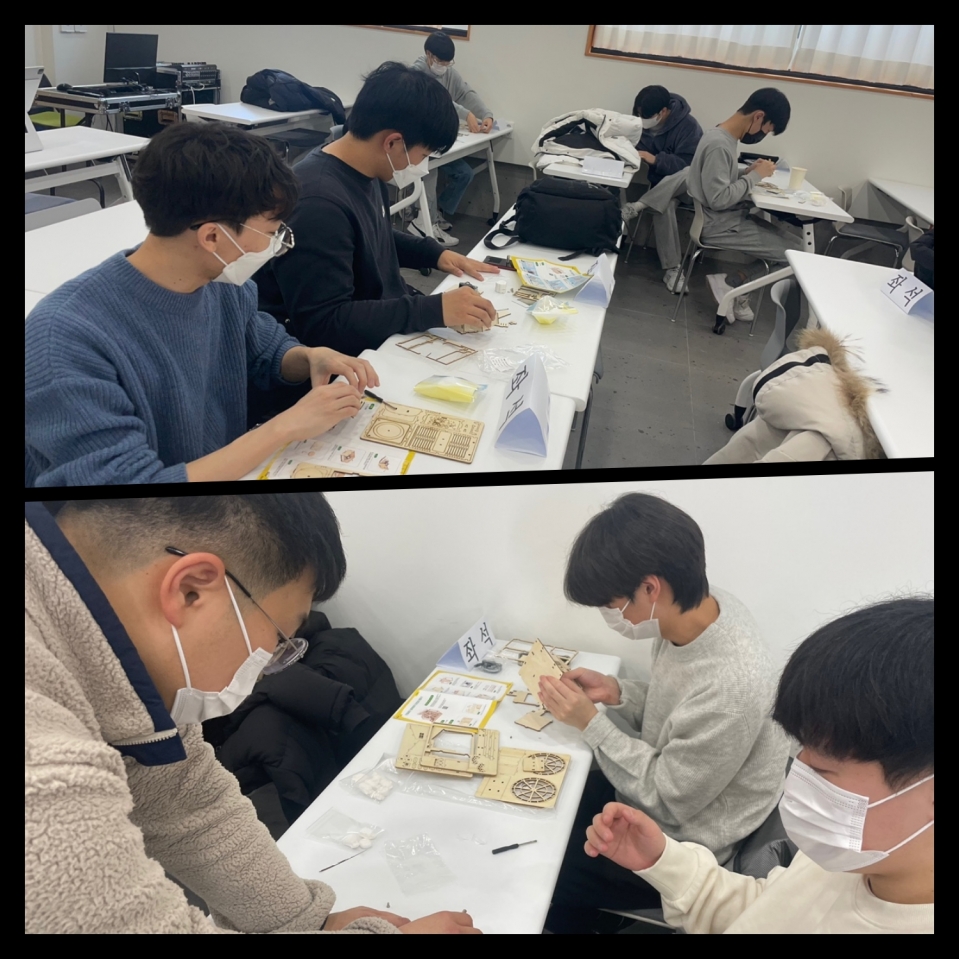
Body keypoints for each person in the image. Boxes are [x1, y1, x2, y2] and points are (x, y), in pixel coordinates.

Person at [26, 495, 481, 935]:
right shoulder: (40, 756)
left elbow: (189, 801)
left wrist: (300, 920)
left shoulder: (104, 661)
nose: (271, 664)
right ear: (190, 590)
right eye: (281, 638)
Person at [25, 122, 378, 487]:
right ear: (212, 236)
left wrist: (307, 357)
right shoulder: (66, 339)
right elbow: (125, 495)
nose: (277, 246)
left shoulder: (221, 283)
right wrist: (284, 427)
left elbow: (264, 349)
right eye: (272, 233)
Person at [586, 597, 934, 934]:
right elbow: (768, 912)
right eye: (802, 751)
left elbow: (671, 794)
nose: (797, 775)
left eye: (823, 770)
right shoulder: (853, 858)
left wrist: (590, 723)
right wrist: (664, 862)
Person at [540, 493, 788, 934]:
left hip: (683, 844)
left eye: (611, 606)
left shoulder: (733, 685)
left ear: (650, 589)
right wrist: (618, 692)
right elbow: (679, 709)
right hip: (666, 793)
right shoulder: (702, 610)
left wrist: (590, 723)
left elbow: (667, 798)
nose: (610, 616)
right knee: (552, 800)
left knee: (546, 866)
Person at [256, 61, 498, 363]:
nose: (422, 166)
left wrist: (433, 254)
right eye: (423, 155)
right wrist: (434, 310)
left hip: (379, 322)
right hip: (343, 358)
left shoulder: (367, 169)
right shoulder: (318, 203)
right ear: (392, 142)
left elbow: (371, 234)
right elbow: (325, 325)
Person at [686, 88, 802, 325]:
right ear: (758, 116)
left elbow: (716, 180)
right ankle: (734, 286)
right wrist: (754, 177)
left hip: (724, 220)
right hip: (720, 225)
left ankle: (734, 284)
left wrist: (746, 172)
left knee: (800, 247)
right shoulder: (720, 144)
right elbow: (719, 199)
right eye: (766, 130)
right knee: (798, 256)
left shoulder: (721, 137)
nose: (761, 136)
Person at [409, 31, 495, 246]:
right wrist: (466, 114)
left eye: (448, 62)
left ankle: (434, 214)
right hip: (418, 143)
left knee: (464, 173)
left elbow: (466, 94)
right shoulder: (416, 74)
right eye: (440, 61)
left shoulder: (449, 72)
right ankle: (423, 223)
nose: (444, 66)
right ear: (429, 54)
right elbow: (438, 99)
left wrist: (486, 115)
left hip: (439, 141)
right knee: (430, 170)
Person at [622, 85, 703, 293]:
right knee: (663, 205)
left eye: (647, 116)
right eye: (639, 115)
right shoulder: (637, 123)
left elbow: (692, 165)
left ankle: (638, 205)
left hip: (688, 189)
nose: (642, 120)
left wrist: (656, 160)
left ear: (664, 111)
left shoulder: (689, 126)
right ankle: (673, 269)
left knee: (687, 172)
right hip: (661, 190)